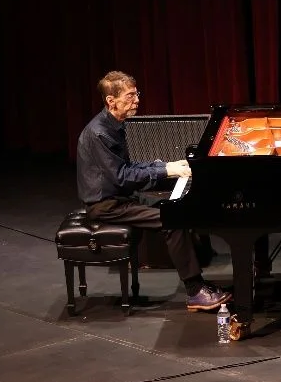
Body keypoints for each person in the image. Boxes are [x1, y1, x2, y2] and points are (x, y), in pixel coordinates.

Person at [75, 71, 231, 312]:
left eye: (137, 93)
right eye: (130, 95)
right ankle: (195, 291)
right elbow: (122, 176)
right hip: (107, 205)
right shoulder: (99, 133)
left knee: (176, 205)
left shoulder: (112, 125)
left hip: (120, 197)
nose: (137, 100)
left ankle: (197, 282)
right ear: (111, 101)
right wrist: (165, 170)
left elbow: (126, 168)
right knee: (174, 218)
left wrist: (162, 167)